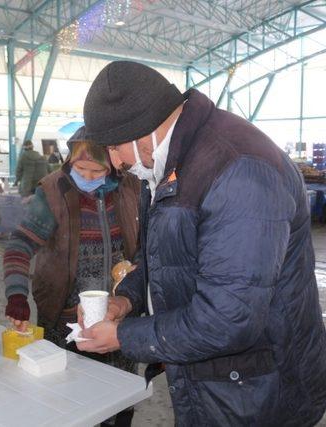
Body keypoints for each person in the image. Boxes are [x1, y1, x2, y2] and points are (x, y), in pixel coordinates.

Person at [77, 61, 326, 425]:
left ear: (140, 129)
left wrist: (124, 337)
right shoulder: (174, 160)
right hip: (214, 380)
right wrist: (126, 298)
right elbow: (163, 255)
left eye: (115, 148)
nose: (115, 163)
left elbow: (229, 318)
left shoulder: (238, 172)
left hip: (258, 392)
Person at [3, 131, 140, 426]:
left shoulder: (130, 189)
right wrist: (17, 294)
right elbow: (19, 245)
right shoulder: (53, 192)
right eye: (81, 169)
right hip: (65, 322)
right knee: (68, 402)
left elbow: (147, 246)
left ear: (114, 165)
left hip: (118, 319)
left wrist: (134, 268)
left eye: (97, 170)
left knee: (118, 399)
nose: (88, 178)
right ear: (69, 161)